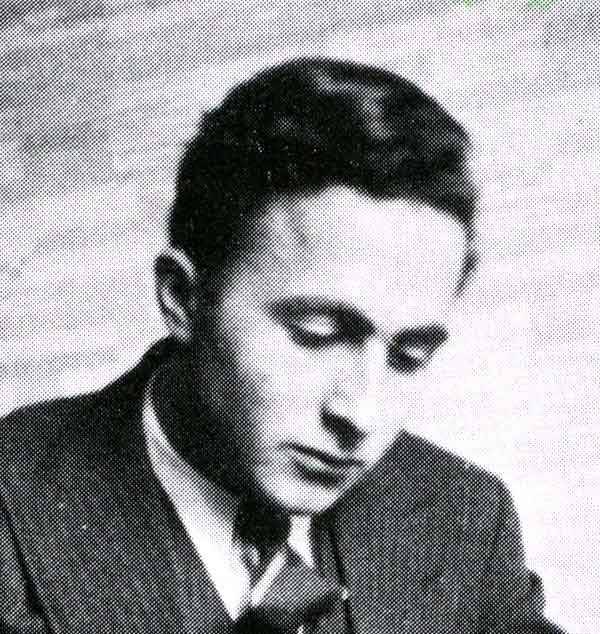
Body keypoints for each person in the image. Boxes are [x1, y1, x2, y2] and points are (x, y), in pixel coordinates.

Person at [0, 57, 565, 634]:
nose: (360, 414)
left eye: (408, 356)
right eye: (317, 334)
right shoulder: (14, 513)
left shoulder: (463, 521)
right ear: (183, 299)